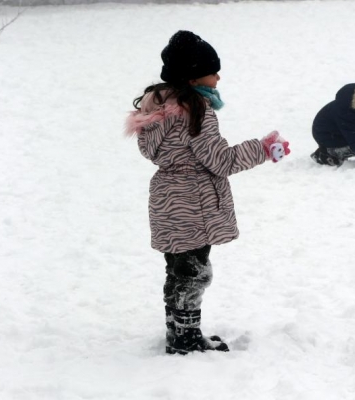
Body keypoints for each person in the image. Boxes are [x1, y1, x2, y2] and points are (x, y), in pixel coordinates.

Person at [125, 31, 289, 355]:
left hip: (166, 198)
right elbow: (221, 161)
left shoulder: (158, 110)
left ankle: (177, 332)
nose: (218, 76)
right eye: (213, 70)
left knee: (178, 271)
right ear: (193, 76)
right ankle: (185, 340)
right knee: (195, 273)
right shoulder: (196, 111)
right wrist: (264, 148)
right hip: (193, 202)